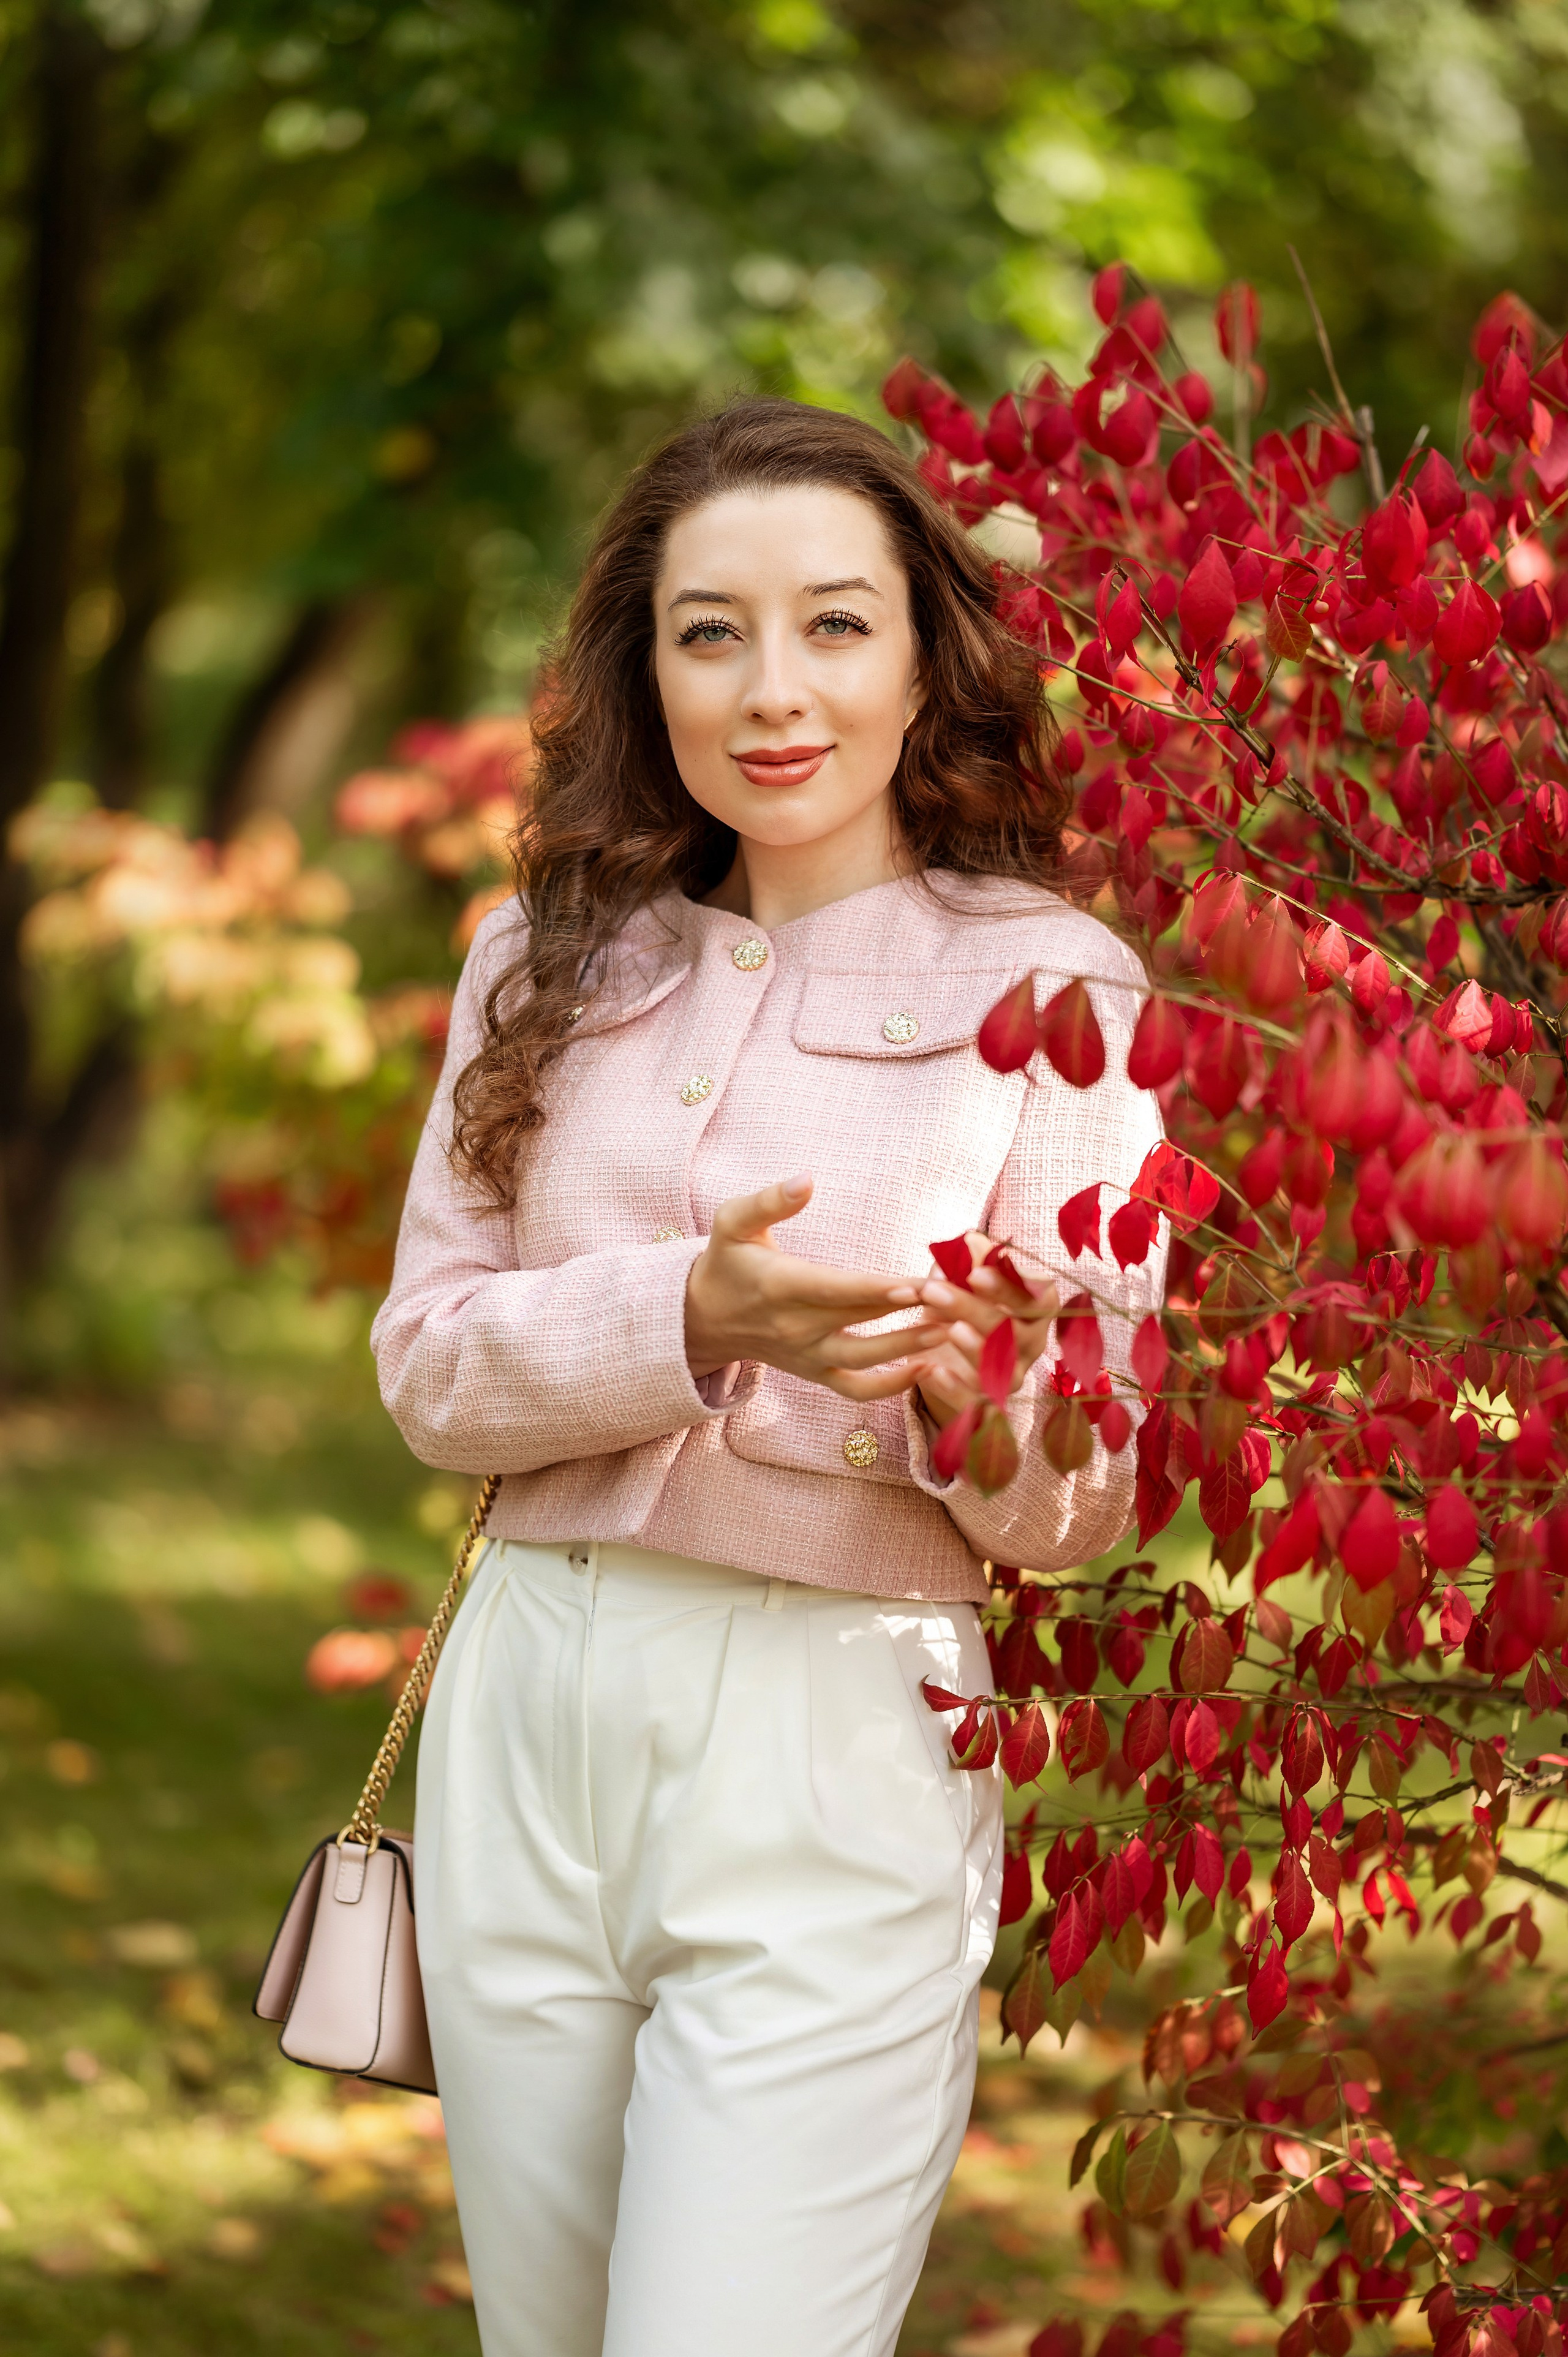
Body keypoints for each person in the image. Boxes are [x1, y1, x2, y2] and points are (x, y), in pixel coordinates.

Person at [371, 395, 1163, 2357]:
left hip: (836, 1725)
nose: (770, 688)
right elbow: (430, 1374)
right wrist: (693, 1317)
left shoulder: (1058, 988)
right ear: (647, 671)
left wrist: (959, 1387)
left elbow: (1087, 1509)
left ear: (924, 658)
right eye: (708, 629)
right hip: (526, 1708)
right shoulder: (535, 961)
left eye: (834, 623)